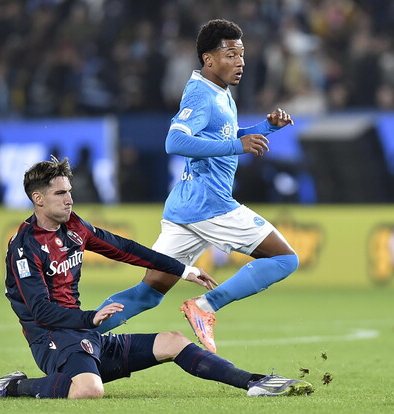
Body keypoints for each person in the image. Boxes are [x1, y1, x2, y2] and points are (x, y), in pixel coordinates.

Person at [0, 156, 313, 399]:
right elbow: (40, 311)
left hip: (82, 335)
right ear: (37, 199)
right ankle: (12, 387)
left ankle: (255, 382)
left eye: (69, 191)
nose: (69, 199)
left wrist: (183, 269)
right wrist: (90, 318)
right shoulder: (24, 247)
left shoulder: (74, 227)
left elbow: (125, 248)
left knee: (173, 341)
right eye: (60, 193)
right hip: (52, 341)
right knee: (88, 390)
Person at [95, 19, 298, 354]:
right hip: (210, 204)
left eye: (242, 54)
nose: (240, 62)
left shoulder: (220, 92)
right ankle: (205, 306)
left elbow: (222, 135)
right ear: (208, 59)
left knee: (148, 293)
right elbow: (174, 142)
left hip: (186, 206)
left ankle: (77, 333)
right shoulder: (202, 95)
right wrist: (237, 146)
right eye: (231, 55)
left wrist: (265, 127)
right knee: (285, 260)